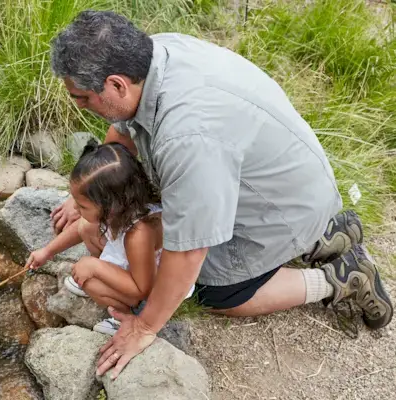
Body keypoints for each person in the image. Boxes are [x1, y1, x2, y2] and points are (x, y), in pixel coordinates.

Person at [49, 10, 394, 379]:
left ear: (116, 85)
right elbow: (124, 132)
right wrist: (87, 193)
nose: (79, 105)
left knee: (208, 291)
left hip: (279, 208)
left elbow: (189, 253)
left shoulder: (188, 138)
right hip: (288, 181)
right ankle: (321, 237)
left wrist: (145, 327)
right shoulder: (153, 55)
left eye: (82, 97)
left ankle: (339, 277)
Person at [26, 142, 195, 335]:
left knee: (91, 283)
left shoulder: (139, 235)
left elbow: (142, 289)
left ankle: (125, 317)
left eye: (82, 206)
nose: (75, 209)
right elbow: (77, 229)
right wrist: (47, 252)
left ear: (110, 205)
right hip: (136, 267)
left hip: (150, 287)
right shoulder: (123, 209)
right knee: (86, 225)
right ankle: (106, 277)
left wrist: (95, 267)